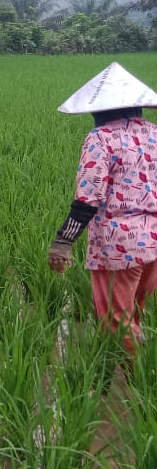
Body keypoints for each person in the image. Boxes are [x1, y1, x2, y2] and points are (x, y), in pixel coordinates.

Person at [48, 61, 157, 355]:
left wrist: (63, 242)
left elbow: (88, 197)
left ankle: (138, 387)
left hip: (120, 247)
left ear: (100, 110)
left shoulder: (101, 137)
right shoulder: (155, 133)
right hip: (154, 244)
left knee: (117, 323)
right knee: (134, 312)